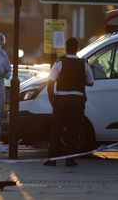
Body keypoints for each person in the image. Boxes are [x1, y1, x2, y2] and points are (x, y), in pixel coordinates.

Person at [44, 37, 94, 166]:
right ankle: (70, 160)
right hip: (77, 101)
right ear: (77, 49)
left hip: (61, 100)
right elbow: (91, 82)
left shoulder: (60, 62)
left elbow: (50, 82)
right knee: (74, 129)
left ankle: (52, 160)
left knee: (56, 129)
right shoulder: (84, 63)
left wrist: (52, 99)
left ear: (66, 48)